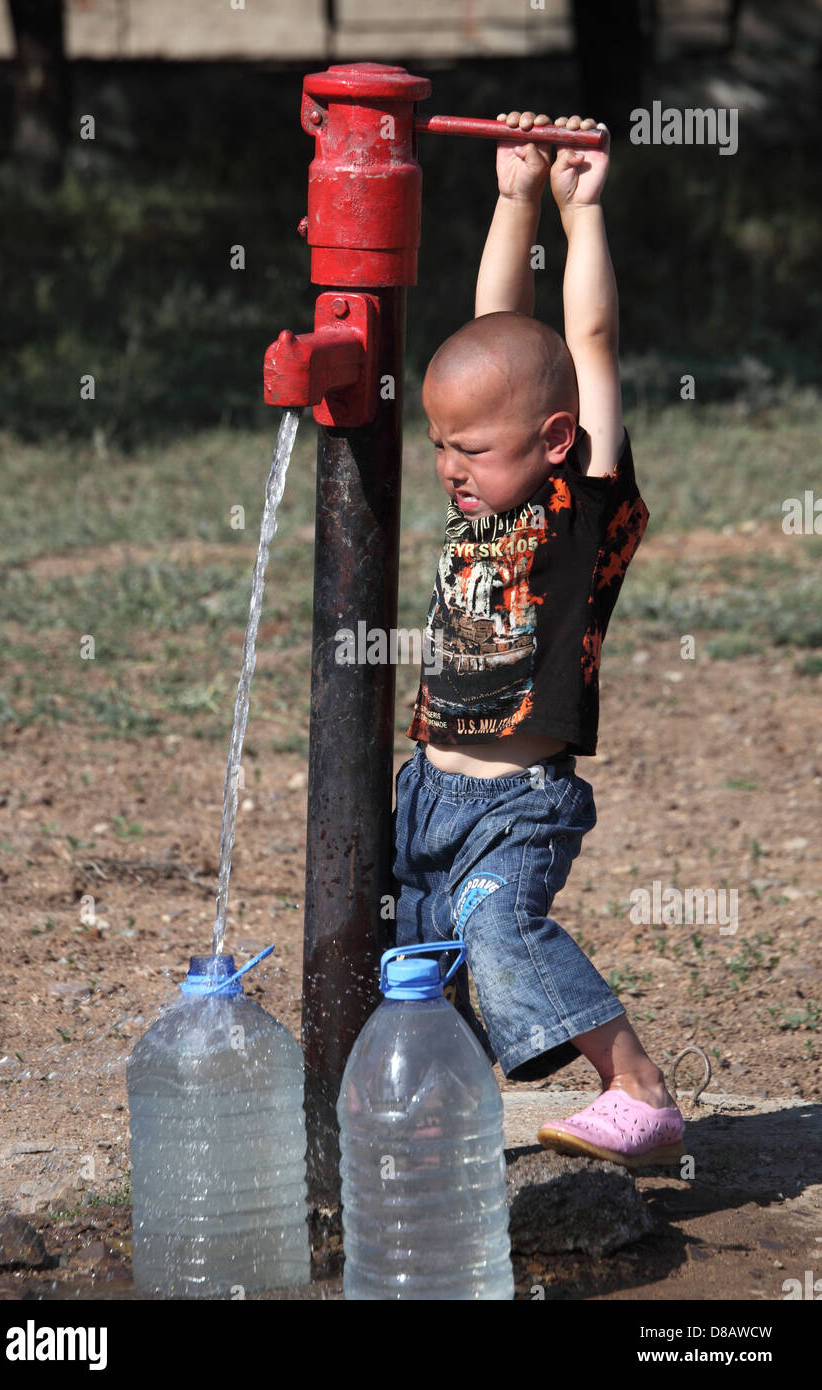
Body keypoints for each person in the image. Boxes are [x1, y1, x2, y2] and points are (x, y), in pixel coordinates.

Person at [392, 111, 685, 1167]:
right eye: (437, 445)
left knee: (497, 933)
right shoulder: (486, 504)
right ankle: (444, 1117)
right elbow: (492, 329)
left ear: (555, 442)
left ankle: (638, 1088)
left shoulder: (579, 515)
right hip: (423, 795)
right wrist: (512, 196)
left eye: (469, 446)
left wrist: (579, 209)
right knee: (416, 957)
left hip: (517, 802)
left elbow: (584, 347)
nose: (449, 467)